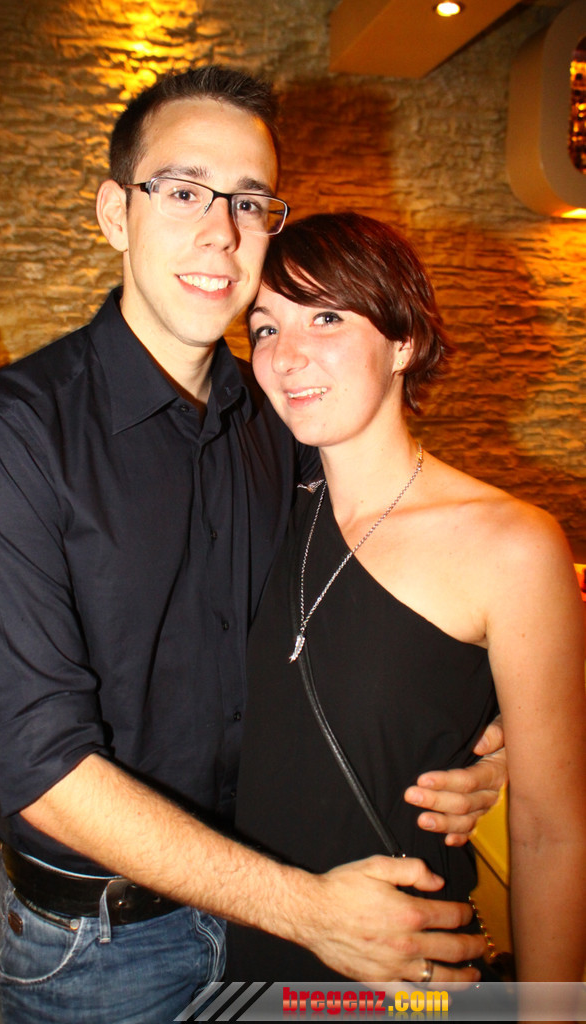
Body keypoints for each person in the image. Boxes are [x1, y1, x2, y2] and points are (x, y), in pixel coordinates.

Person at [0, 68, 505, 1023]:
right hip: (103, 948)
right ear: (115, 214)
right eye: (183, 191)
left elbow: (401, 578)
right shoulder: (9, 432)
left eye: (248, 201)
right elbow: (43, 769)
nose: (221, 232)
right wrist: (310, 912)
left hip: (277, 905)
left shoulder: (281, 418)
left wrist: (497, 741)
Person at [225, 211, 586, 983]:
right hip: (236, 963)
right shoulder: (252, 518)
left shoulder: (511, 544)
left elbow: (551, 832)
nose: (286, 355)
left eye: (325, 317)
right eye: (265, 328)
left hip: (396, 985)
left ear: (404, 341)